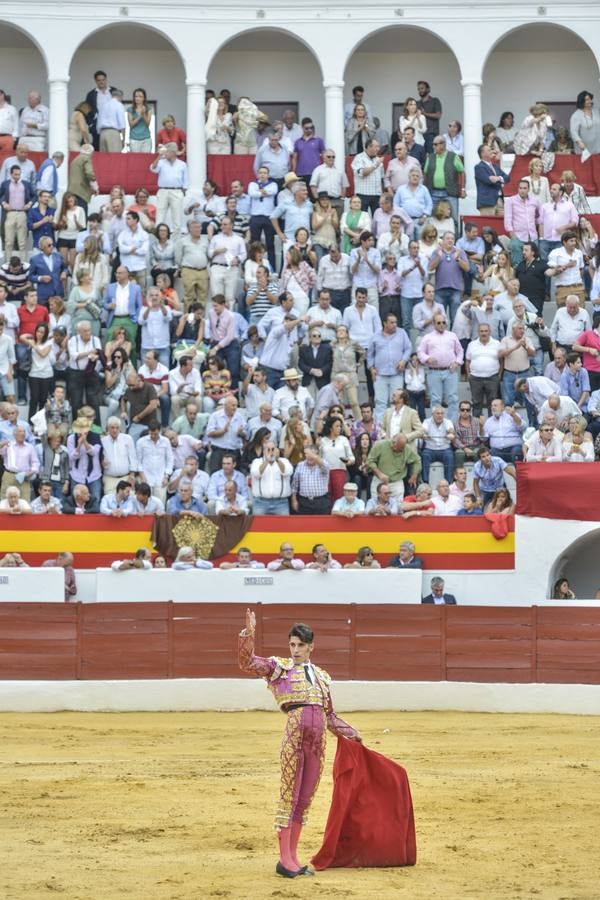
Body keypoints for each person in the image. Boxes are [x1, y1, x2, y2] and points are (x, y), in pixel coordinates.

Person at [238, 610, 361, 878]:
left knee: (304, 799)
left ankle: (293, 858)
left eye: (300, 645)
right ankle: (285, 860)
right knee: (290, 797)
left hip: (316, 742)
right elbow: (247, 663)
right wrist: (248, 635)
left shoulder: (322, 677)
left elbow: (329, 716)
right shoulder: (278, 668)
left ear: (311, 647)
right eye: (292, 644)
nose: (295, 650)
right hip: (295, 735)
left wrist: (351, 733)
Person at [417, 310, 463, 422]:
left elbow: (460, 351)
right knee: (435, 399)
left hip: (450, 371)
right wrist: (427, 358)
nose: (442, 325)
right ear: (433, 324)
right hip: (434, 371)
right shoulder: (427, 337)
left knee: (453, 398)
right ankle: (436, 423)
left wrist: (457, 362)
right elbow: (420, 352)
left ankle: (451, 424)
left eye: (443, 322)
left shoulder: (452, 335)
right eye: (438, 323)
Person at [367, 432, 421, 503]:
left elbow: (417, 460)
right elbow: (370, 461)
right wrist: (379, 474)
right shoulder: (380, 445)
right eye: (394, 445)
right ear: (393, 441)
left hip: (397, 482)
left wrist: (414, 475)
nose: (396, 449)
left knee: (398, 507)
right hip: (379, 481)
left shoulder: (407, 449)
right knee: (376, 505)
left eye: (400, 449)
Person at [474, 144, 509, 215]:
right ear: (482, 153)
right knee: (488, 225)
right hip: (487, 202)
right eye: (489, 150)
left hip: (499, 200)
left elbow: (507, 178)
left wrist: (498, 178)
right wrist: (500, 179)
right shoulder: (479, 167)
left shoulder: (496, 166)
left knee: (500, 225)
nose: (492, 151)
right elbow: (489, 181)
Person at [570, 90, 600, 157]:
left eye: (589, 99)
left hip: (598, 149)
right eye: (586, 100)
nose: (589, 101)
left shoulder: (596, 111)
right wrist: (579, 142)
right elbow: (573, 132)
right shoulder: (576, 115)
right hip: (584, 151)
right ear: (582, 102)